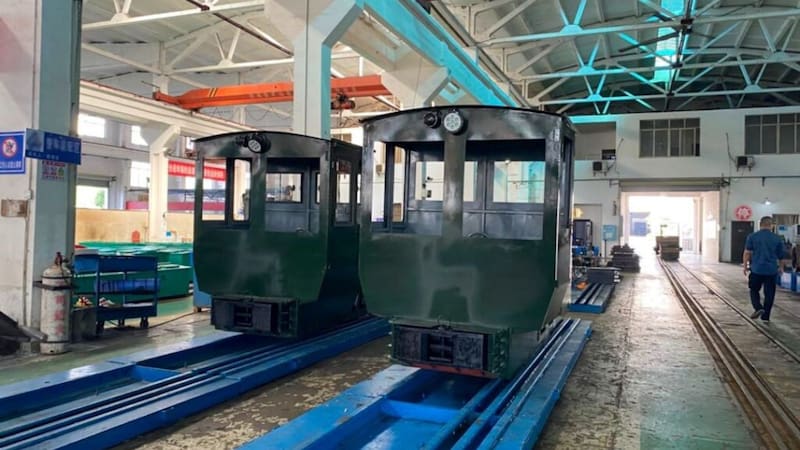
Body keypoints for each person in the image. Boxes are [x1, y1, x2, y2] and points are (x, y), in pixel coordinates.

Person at [743, 216, 785, 323]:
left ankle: (758, 307)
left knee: (754, 290)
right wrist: (781, 267)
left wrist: (745, 266)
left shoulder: (752, 236)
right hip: (771, 270)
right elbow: (781, 256)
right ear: (771, 225)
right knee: (769, 293)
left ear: (760, 224)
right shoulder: (777, 238)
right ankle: (766, 317)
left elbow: (747, 252)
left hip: (756, 269)